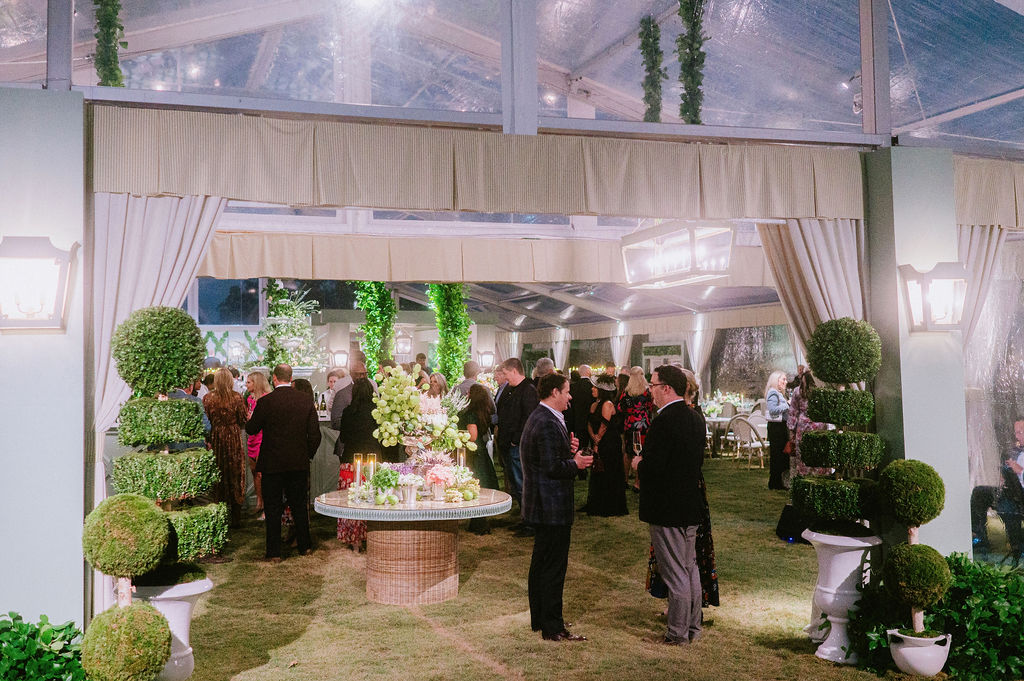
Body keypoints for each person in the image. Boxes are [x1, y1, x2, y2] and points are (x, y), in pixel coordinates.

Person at [633, 364, 707, 645]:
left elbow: (658, 466)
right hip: (689, 504)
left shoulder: (664, 421)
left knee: (676, 573)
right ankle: (693, 628)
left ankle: (677, 633)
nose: (649, 392)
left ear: (666, 388)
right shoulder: (695, 418)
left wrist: (640, 463)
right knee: (690, 569)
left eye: (652, 386)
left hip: (667, 508)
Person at [520, 372, 593, 642]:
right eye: (567, 391)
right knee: (552, 567)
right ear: (554, 393)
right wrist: (577, 464)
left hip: (542, 505)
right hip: (550, 507)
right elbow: (552, 468)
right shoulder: (546, 421)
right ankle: (553, 626)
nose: (570, 396)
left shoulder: (541, 418)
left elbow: (546, 458)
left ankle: (542, 619)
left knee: (541, 564)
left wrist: (568, 451)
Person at [245, 364, 322, 563]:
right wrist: (307, 455)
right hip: (298, 462)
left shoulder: (266, 402)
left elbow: (252, 429)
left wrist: (249, 418)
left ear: (275, 379)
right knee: (299, 506)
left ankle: (274, 552)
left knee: (272, 508)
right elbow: (315, 435)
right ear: (290, 377)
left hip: (272, 463)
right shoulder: (305, 400)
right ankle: (305, 546)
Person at [335, 377, 381, 549]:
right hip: (372, 461)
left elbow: (344, 437)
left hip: (351, 461)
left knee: (351, 501)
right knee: (372, 499)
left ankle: (354, 539)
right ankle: (372, 536)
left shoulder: (348, 412)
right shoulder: (378, 411)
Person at [203, 368, 247, 528]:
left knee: (218, 472)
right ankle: (236, 516)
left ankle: (219, 513)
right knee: (235, 473)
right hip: (233, 437)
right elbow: (243, 418)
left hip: (216, 438)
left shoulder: (208, 398)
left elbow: (205, 420)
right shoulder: (237, 397)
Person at [496, 358, 539, 520]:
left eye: (506, 374)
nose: (505, 377)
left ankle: (530, 521)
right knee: (516, 483)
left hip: (518, 445)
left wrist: (515, 439)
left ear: (514, 371)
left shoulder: (528, 389)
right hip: (510, 443)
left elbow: (528, 417)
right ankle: (525, 517)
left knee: (522, 483)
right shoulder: (512, 388)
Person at [584, 374, 628, 516]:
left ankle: (609, 503)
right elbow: (589, 423)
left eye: (595, 387)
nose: (592, 389)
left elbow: (605, 424)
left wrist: (597, 439)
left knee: (608, 469)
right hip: (599, 440)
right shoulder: (593, 404)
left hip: (609, 442)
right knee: (598, 470)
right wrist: (594, 438)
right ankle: (598, 501)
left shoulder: (607, 404)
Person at [459, 383, 499, 534]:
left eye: (469, 393)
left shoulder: (470, 414)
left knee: (476, 484)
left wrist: (459, 436)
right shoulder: (483, 412)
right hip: (480, 450)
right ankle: (478, 521)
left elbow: (473, 436)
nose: (466, 394)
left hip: (475, 453)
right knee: (481, 484)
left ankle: (479, 523)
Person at [786, 370, 830, 485]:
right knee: (819, 453)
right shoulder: (821, 392)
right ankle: (820, 479)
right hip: (819, 426)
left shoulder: (797, 391)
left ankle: (804, 480)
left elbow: (793, 412)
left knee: (802, 454)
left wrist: (791, 430)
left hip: (802, 427)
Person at [618, 366, 654, 491]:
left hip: (630, 425)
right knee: (640, 453)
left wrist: (631, 412)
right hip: (643, 426)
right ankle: (638, 483)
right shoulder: (647, 392)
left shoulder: (626, 393)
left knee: (628, 453)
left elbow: (621, 408)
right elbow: (650, 408)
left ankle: (624, 480)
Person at [245, 370, 272, 517]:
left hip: (262, 437)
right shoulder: (249, 399)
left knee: (262, 474)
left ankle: (267, 506)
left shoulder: (267, 399)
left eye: (249, 382)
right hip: (252, 438)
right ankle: (259, 502)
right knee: (254, 471)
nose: (246, 384)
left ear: (257, 383)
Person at [765, 370, 791, 490]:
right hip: (776, 428)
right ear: (777, 381)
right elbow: (772, 410)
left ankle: (778, 481)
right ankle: (775, 482)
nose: (786, 382)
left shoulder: (778, 393)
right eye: (783, 379)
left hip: (780, 426)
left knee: (780, 455)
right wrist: (788, 404)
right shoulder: (773, 393)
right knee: (777, 455)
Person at [568, 365, 594, 451]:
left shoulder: (573, 387)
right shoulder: (593, 387)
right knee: (593, 446)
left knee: (581, 446)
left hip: (578, 421)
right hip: (592, 421)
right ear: (588, 372)